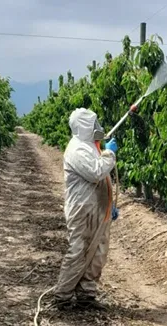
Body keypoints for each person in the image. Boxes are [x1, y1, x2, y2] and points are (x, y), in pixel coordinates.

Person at [53, 107, 119, 308]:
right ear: (84, 126)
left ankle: (86, 295)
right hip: (84, 210)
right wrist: (109, 154)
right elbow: (96, 171)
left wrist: (111, 204)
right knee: (80, 251)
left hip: (97, 209)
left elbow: (102, 176)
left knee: (98, 251)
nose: (97, 127)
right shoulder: (77, 149)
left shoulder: (89, 146)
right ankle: (63, 295)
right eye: (93, 124)